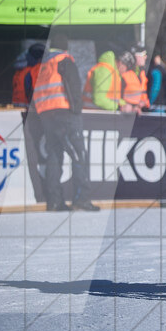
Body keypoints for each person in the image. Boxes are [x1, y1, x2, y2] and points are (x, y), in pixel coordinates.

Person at [26, 32, 99, 212]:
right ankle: (81, 198)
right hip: (65, 115)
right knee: (79, 155)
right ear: (66, 47)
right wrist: (76, 111)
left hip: (46, 116)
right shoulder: (64, 60)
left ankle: (54, 201)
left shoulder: (44, 65)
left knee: (54, 156)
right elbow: (74, 86)